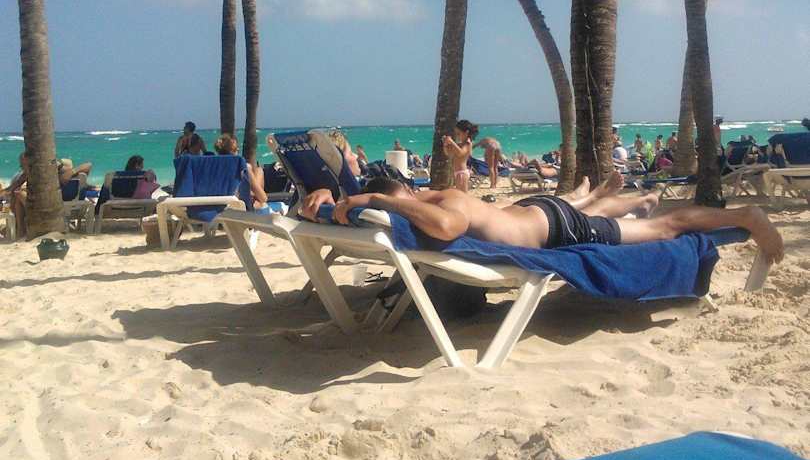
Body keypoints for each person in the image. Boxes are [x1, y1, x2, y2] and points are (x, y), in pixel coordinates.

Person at [301, 171, 784, 265]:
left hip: (559, 228)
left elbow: (447, 227)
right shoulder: (431, 195)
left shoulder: (445, 205)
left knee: (666, 228)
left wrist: (379, 200)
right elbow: (342, 208)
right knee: (601, 207)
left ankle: (745, 215)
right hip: (543, 216)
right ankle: (627, 199)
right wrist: (327, 195)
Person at [216, 134, 267, 205]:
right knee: (259, 171)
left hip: (219, 205)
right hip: (242, 207)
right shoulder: (243, 167)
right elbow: (263, 198)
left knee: (258, 171)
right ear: (236, 150)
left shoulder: (213, 167)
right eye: (236, 148)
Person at [442, 120, 478, 192]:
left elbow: (460, 153)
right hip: (457, 172)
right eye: (456, 134)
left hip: (462, 172)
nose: (457, 136)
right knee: (460, 194)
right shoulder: (460, 144)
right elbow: (448, 153)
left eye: (459, 133)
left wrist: (452, 142)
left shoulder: (468, 143)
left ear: (466, 132)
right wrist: (445, 144)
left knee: (462, 195)